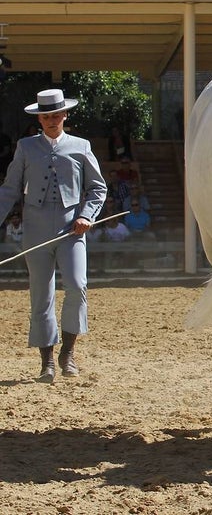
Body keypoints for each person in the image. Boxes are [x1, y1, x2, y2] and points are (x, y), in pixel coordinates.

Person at [0, 89, 107, 383]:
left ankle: (68, 353)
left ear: (64, 115)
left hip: (71, 228)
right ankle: (46, 361)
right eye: (45, 116)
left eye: (55, 115)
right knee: (41, 294)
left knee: (77, 285)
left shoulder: (81, 146)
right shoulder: (25, 147)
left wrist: (87, 214)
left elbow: (98, 188)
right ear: (39, 119)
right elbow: (10, 188)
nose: (50, 120)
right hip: (35, 230)